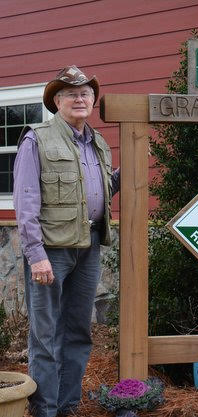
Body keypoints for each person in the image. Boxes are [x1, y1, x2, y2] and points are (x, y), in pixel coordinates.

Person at [13, 65, 120, 417]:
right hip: (51, 251)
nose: (79, 98)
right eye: (71, 93)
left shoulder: (99, 143)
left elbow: (103, 189)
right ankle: (45, 409)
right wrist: (36, 255)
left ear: (92, 101)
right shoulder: (37, 139)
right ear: (57, 101)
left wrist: (131, 164)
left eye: (85, 93)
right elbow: (26, 201)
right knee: (46, 336)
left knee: (78, 332)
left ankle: (68, 406)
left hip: (88, 246)